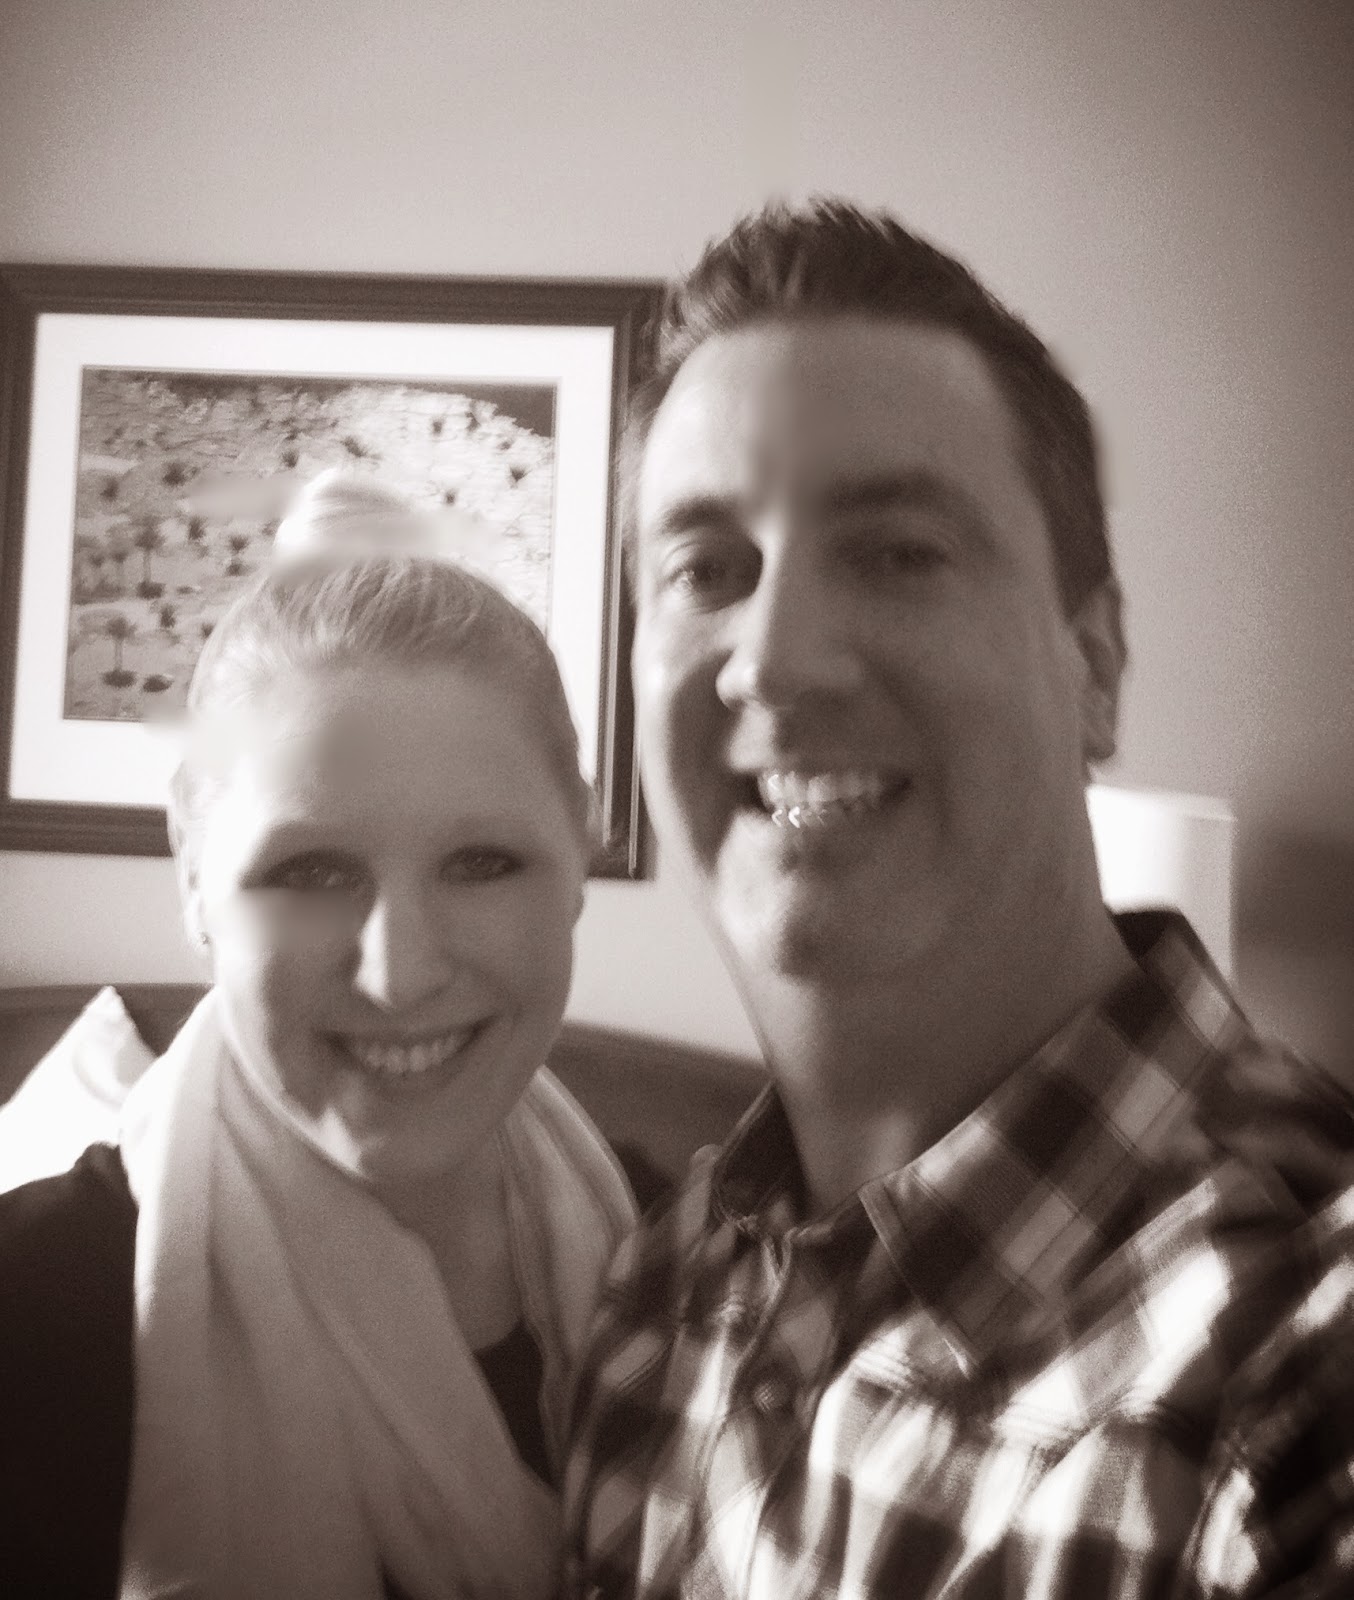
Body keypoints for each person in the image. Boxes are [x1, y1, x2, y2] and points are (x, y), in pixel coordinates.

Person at [562, 199, 1354, 1597]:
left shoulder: (1298, 1358)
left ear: (1092, 664)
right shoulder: (647, 1302)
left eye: (895, 552)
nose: (775, 658)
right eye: (704, 571)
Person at [0, 539, 635, 1597]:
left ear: (577, 853)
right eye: (311, 871)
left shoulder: (688, 1266)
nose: (399, 973)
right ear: (196, 878)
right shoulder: (28, 1319)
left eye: (481, 862)